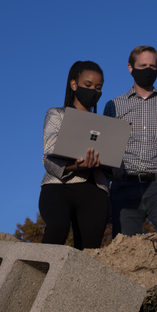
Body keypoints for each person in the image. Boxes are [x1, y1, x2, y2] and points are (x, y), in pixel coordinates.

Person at [103, 45, 157, 236]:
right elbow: (107, 152)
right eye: (143, 65)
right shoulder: (113, 106)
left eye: (153, 66)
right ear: (130, 67)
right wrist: (107, 191)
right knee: (125, 249)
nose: (148, 70)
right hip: (124, 187)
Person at [39, 60, 110, 250]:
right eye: (88, 85)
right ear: (74, 84)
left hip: (95, 191)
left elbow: (117, 169)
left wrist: (105, 162)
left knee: (90, 250)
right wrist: (78, 165)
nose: (93, 91)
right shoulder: (56, 114)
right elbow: (48, 156)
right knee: (57, 228)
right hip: (59, 188)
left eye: (98, 87)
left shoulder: (107, 126)